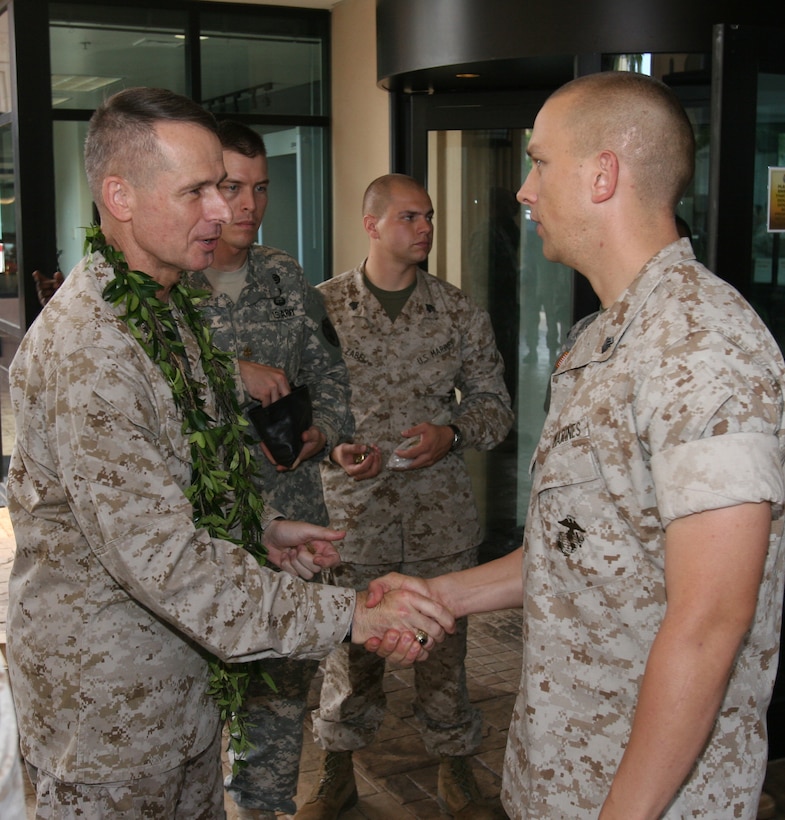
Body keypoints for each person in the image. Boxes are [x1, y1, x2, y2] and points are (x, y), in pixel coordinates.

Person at [5, 87, 453, 819]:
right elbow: (168, 564)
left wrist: (260, 534)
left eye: (226, 184)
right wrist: (350, 616)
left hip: (177, 694)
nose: (223, 209)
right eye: (196, 190)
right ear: (118, 195)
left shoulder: (166, 304)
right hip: (111, 719)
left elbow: (172, 488)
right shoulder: (94, 353)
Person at [365, 71, 785, 818]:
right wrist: (443, 595)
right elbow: (574, 551)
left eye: (539, 162)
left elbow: (709, 622)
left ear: (602, 175)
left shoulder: (701, 346)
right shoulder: (597, 341)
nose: (524, 190)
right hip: (556, 774)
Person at [302, 174, 514, 820]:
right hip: (352, 518)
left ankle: (454, 766)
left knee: (444, 651)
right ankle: (337, 769)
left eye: (427, 217)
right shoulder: (321, 309)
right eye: (408, 218)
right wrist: (333, 445)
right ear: (371, 225)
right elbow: (299, 412)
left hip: (437, 518)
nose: (423, 229)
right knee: (348, 653)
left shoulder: (456, 311)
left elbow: (495, 409)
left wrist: (450, 434)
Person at [182, 120, 354, 820]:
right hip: (199, 535)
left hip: (289, 521)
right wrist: (230, 373)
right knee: (193, 711)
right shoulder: (168, 286)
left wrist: (322, 431)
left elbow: (333, 377)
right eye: (230, 187)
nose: (248, 205)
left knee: (281, 700)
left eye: (260, 188)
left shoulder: (286, 277)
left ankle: (265, 809)